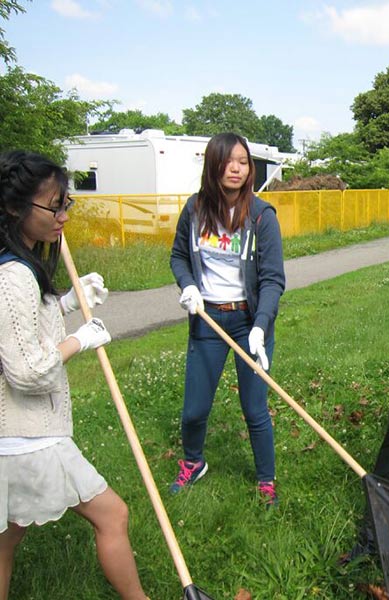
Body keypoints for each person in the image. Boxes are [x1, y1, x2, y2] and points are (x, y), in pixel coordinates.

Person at [0, 150, 148, 599]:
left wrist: (65, 302)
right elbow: (27, 370)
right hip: (30, 438)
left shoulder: (20, 265)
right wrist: (79, 340)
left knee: (6, 538)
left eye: (68, 204)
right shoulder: (13, 275)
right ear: (13, 207)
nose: (63, 215)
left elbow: (23, 328)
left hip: (15, 436)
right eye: (54, 205)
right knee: (112, 515)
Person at [170, 132, 285, 507]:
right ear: (213, 165)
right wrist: (188, 286)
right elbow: (178, 257)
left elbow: (272, 278)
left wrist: (260, 326)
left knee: (255, 409)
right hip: (207, 320)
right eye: (228, 160)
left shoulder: (262, 216)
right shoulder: (195, 209)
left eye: (243, 161)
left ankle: (266, 480)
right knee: (195, 409)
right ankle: (193, 462)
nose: (236, 168)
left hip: (248, 322)